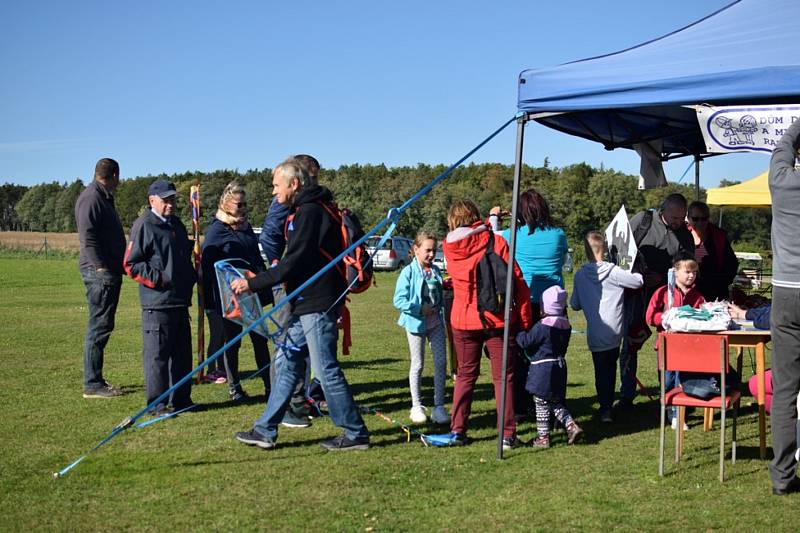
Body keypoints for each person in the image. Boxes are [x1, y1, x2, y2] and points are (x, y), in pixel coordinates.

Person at [232, 160, 369, 451]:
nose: (273, 191)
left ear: (294, 184)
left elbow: (293, 261)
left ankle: (355, 433)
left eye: (275, 185)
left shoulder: (310, 212)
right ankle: (265, 430)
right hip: (305, 303)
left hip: (317, 303)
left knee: (325, 368)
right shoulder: (306, 210)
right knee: (288, 361)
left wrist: (252, 283)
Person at [435, 199, 533, 449]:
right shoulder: (496, 242)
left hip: (463, 319)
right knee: (503, 378)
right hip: (496, 319)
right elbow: (517, 281)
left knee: (465, 376)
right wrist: (523, 319)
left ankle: (458, 430)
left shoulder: (448, 247)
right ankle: (507, 434)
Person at [490, 189, 568, 420]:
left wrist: (495, 217)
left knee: (523, 356)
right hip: (554, 305)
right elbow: (562, 259)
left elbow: (493, 241)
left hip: (526, 303)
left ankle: (522, 405)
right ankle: (554, 403)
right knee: (553, 357)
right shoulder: (558, 234)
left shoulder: (512, 235)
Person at [124, 179, 197, 415]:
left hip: (180, 301)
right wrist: (161, 279)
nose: (170, 204)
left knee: (182, 355)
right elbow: (131, 264)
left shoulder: (176, 224)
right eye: (165, 200)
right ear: (152, 200)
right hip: (157, 302)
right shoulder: (144, 225)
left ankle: (182, 399)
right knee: (158, 357)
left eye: (173, 199)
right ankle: (157, 404)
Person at [260, 154, 322, 427]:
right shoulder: (284, 204)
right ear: (300, 178)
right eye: (314, 176)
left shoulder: (306, 205)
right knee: (286, 345)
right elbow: (268, 235)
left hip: (301, 284)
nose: (316, 181)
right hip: (285, 284)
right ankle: (285, 405)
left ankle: (298, 398)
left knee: (302, 345)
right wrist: (279, 265)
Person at [617, 193, 694, 412]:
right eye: (674, 217)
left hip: (667, 296)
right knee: (630, 343)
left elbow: (687, 265)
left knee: (668, 344)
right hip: (636, 294)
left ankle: (669, 394)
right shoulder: (643, 220)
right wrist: (634, 273)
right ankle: (626, 394)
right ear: (663, 210)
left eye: (681, 218)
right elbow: (620, 248)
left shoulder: (685, 236)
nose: (677, 222)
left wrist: (661, 276)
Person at [201, 182, 270, 401]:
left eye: (245, 204)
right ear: (226, 204)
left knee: (260, 339)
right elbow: (207, 266)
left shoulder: (247, 227)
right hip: (230, 297)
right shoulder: (217, 230)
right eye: (239, 205)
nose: (243, 209)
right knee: (233, 342)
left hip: (251, 293)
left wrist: (263, 281)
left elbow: (256, 259)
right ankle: (235, 388)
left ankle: (269, 385)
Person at [570, 231, 643, 423]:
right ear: (605, 249)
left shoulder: (579, 275)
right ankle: (606, 408)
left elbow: (575, 304)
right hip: (615, 329)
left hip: (595, 330)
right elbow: (638, 281)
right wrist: (634, 267)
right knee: (610, 367)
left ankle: (605, 407)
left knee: (601, 370)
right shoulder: (613, 271)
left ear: (585, 250)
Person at [75, 158, 127, 398]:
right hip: (99, 274)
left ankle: (95, 378)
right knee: (99, 326)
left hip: (108, 270)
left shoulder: (101, 197)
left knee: (103, 325)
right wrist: (100, 268)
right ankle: (92, 383)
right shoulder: (92, 199)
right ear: (114, 175)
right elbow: (88, 236)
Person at [767, 117, 800, 495]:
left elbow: (783, 145)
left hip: (786, 292)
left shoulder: (782, 181)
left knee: (786, 392)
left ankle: (782, 476)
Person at [392, 231, 450, 425]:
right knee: (418, 364)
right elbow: (398, 300)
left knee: (441, 363)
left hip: (436, 324)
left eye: (434, 250)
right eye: (427, 250)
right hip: (415, 324)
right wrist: (418, 309)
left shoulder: (436, 270)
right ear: (416, 250)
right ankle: (416, 406)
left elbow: (438, 295)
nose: (431, 254)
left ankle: (439, 406)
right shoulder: (407, 272)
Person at [517, 285, 582, 448]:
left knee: (540, 402)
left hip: (542, 370)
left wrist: (519, 332)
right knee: (555, 402)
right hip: (559, 367)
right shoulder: (566, 326)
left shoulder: (542, 326)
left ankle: (543, 437)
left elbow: (526, 341)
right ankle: (571, 426)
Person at [646, 256, 704, 429]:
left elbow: (703, 317)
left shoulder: (698, 296)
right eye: (687, 272)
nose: (691, 276)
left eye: (694, 272)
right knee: (667, 379)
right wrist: (664, 318)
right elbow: (650, 316)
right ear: (675, 272)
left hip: (687, 345)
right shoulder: (663, 292)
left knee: (682, 379)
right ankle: (667, 408)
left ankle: (678, 414)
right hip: (666, 344)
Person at [687, 201, 738, 302]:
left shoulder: (718, 237)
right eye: (695, 219)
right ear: (688, 218)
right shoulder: (682, 236)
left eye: (704, 219)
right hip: (688, 292)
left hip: (716, 294)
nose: (700, 223)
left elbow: (732, 264)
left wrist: (723, 282)